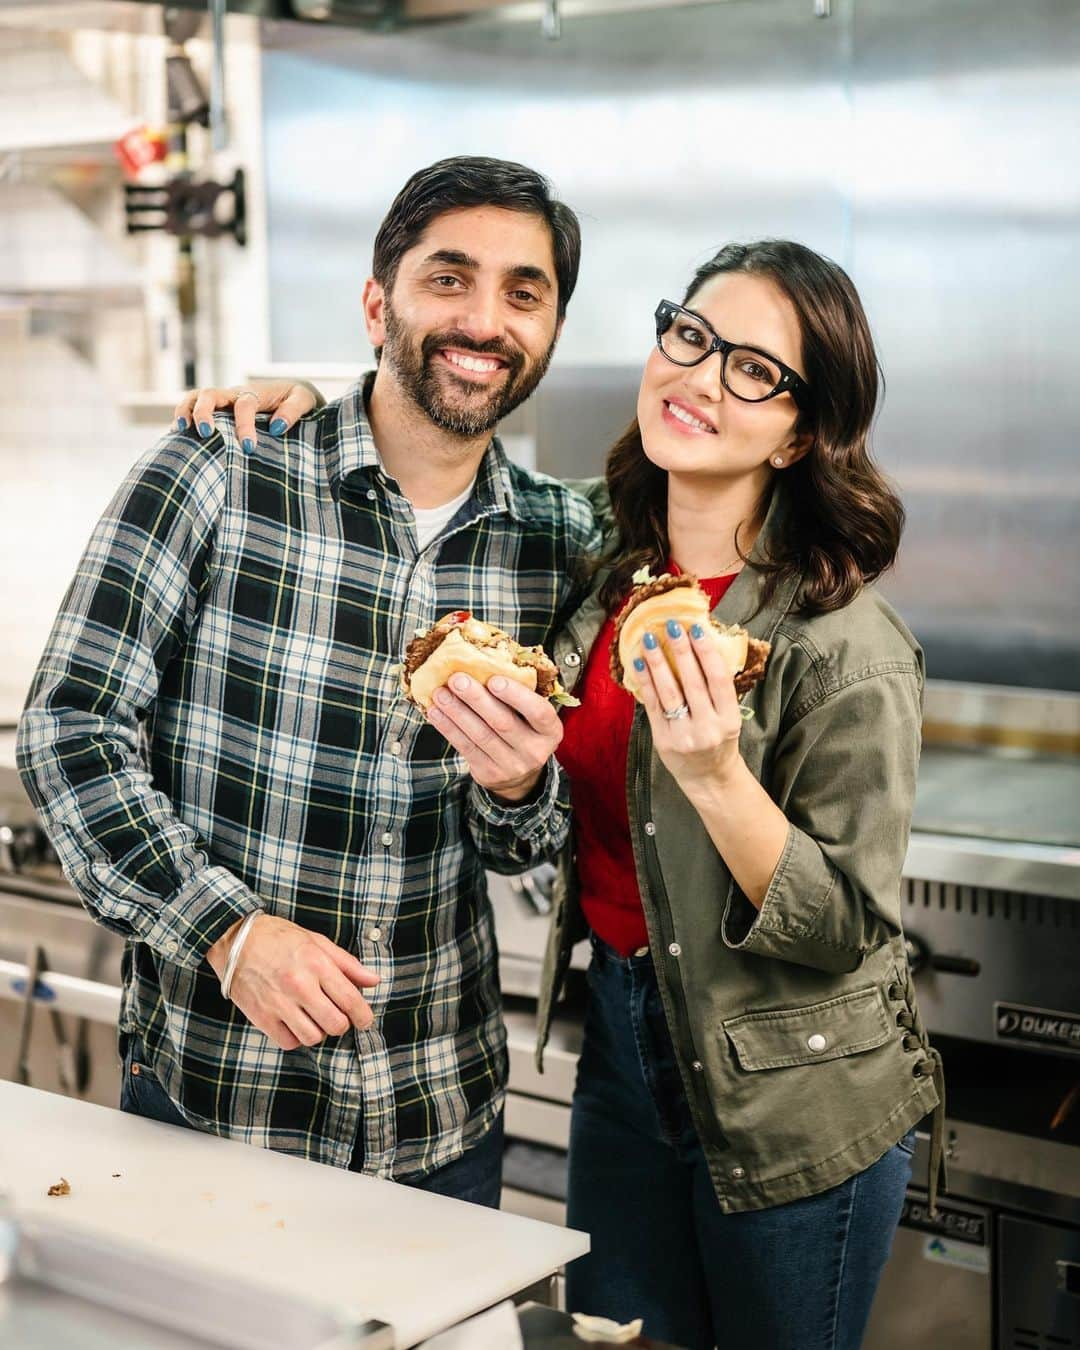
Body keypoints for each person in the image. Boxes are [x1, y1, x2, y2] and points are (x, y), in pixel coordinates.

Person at [200, 237, 944, 1349]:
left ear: (799, 432)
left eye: (754, 369)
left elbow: (842, 927)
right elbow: (437, 456)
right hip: (623, 1052)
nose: (697, 376)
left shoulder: (845, 643)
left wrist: (715, 773)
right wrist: (312, 407)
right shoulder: (602, 573)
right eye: (690, 336)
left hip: (796, 1084)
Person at [17, 156, 599, 1209]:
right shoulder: (220, 470)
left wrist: (520, 790)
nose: (485, 320)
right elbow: (70, 728)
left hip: (440, 1117)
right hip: (216, 1101)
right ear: (379, 303)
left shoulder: (560, 543)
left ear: (551, 330)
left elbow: (526, 848)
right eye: (448, 278)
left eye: (525, 292)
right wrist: (226, 933)